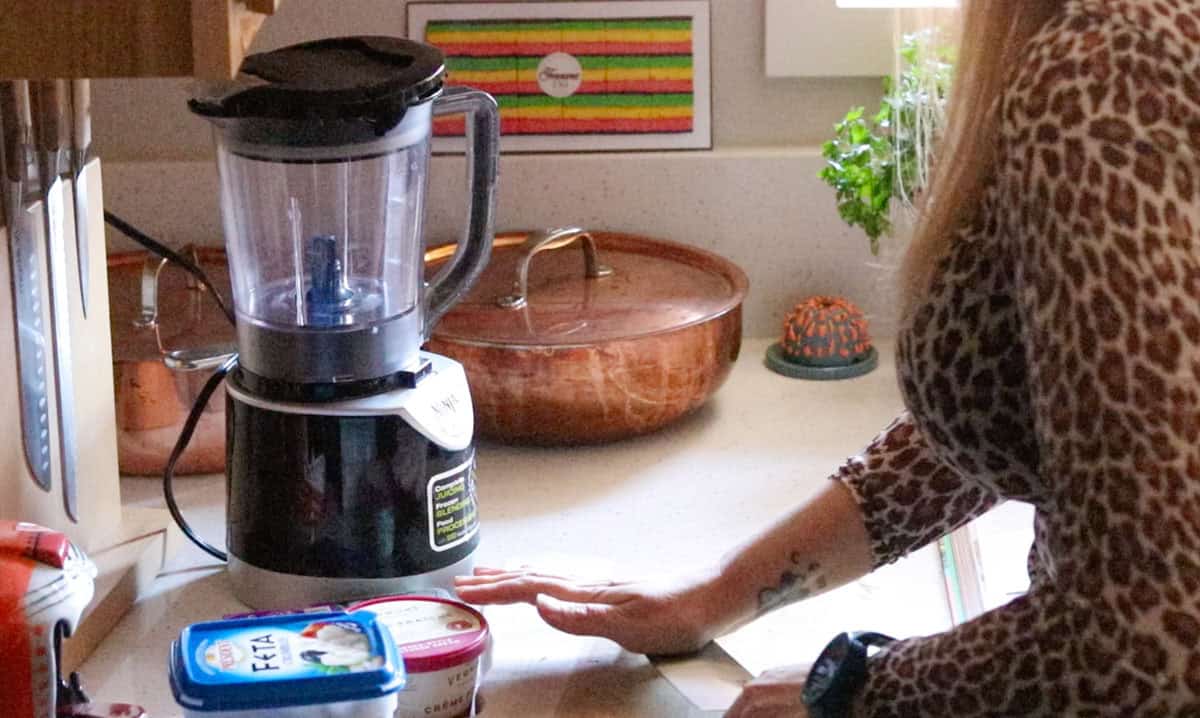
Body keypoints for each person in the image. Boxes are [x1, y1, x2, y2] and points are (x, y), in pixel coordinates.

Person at [456, 0, 1200, 713]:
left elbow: (1149, 630)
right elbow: (1034, 396)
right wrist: (719, 592)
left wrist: (867, 690)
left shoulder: (1108, 71)